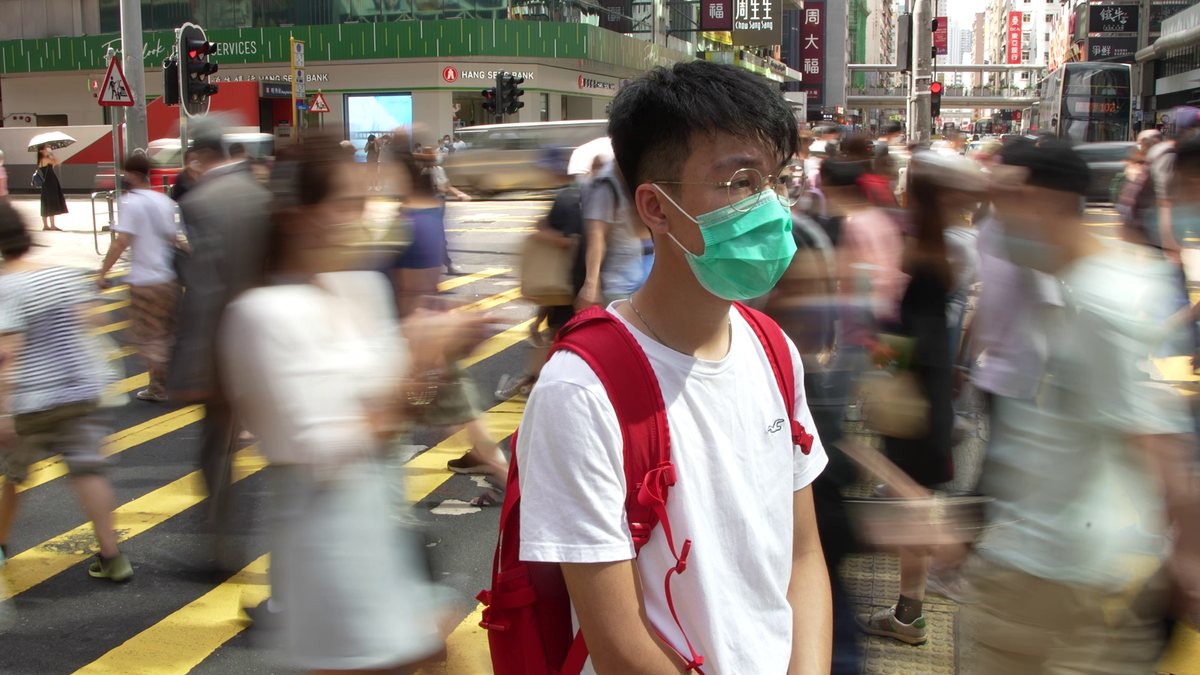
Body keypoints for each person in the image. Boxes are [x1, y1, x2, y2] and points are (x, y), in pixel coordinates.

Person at [516, 60, 832, 674]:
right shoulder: (581, 391)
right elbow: (619, 644)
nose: (770, 207)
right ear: (656, 209)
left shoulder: (773, 349)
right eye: (740, 182)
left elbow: (801, 555)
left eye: (776, 181)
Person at [220, 135, 479, 674]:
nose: (362, 216)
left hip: (387, 527)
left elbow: (398, 412)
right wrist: (417, 360)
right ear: (300, 216)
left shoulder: (361, 287)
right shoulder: (263, 314)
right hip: (330, 546)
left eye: (365, 201)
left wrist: (443, 353)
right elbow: (327, 452)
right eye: (347, 203)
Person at [961, 139, 1200, 675]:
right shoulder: (1073, 286)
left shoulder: (1099, 302)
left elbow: (1159, 442)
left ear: (1046, 202)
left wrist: (1188, 559)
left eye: (1007, 198)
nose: (994, 218)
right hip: (1043, 559)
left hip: (1061, 575)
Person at [854, 154, 985, 646]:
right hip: (929, 401)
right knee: (915, 505)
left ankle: (910, 614)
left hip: (913, 407)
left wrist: (880, 363)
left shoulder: (923, 256)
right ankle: (909, 612)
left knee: (912, 509)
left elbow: (915, 340)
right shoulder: (946, 249)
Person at [0, 201, 130, 579]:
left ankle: (1, 546)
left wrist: (4, 413)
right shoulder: (61, 275)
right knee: (88, 472)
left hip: (33, 400)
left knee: (14, 477)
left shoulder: (7, 286)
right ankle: (113, 558)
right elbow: (96, 316)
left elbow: (8, 355)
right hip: (81, 391)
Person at [172, 117, 274, 554]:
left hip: (222, 346)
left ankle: (220, 546)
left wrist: (193, 364)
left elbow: (206, 289)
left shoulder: (201, 201)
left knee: (215, 449)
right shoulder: (259, 193)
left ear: (197, 155)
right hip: (269, 337)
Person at [494, 147, 587, 401]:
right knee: (554, 334)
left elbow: (568, 241)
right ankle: (534, 380)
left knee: (556, 335)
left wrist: (540, 232)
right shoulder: (578, 194)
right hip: (570, 282)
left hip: (564, 282)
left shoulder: (566, 197)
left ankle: (534, 383)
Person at [96, 154, 185, 402]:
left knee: (148, 336)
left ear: (132, 174)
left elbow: (121, 241)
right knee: (166, 333)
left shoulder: (129, 202)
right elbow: (174, 238)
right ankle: (173, 382)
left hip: (144, 282)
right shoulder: (163, 200)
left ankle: (158, 387)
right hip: (168, 279)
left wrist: (102, 273)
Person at [575, 160, 644, 309]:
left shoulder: (625, 183)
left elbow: (640, 232)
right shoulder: (604, 186)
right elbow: (596, 235)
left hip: (634, 278)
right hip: (616, 285)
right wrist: (591, 285)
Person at [35, 144, 68, 232]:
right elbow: (58, 161)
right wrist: (51, 154)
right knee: (51, 202)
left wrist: (49, 155)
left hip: (46, 183)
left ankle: (46, 225)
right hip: (50, 182)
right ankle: (52, 225)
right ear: (41, 151)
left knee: (46, 202)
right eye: (46, 148)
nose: (48, 149)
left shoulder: (41, 159)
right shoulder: (45, 159)